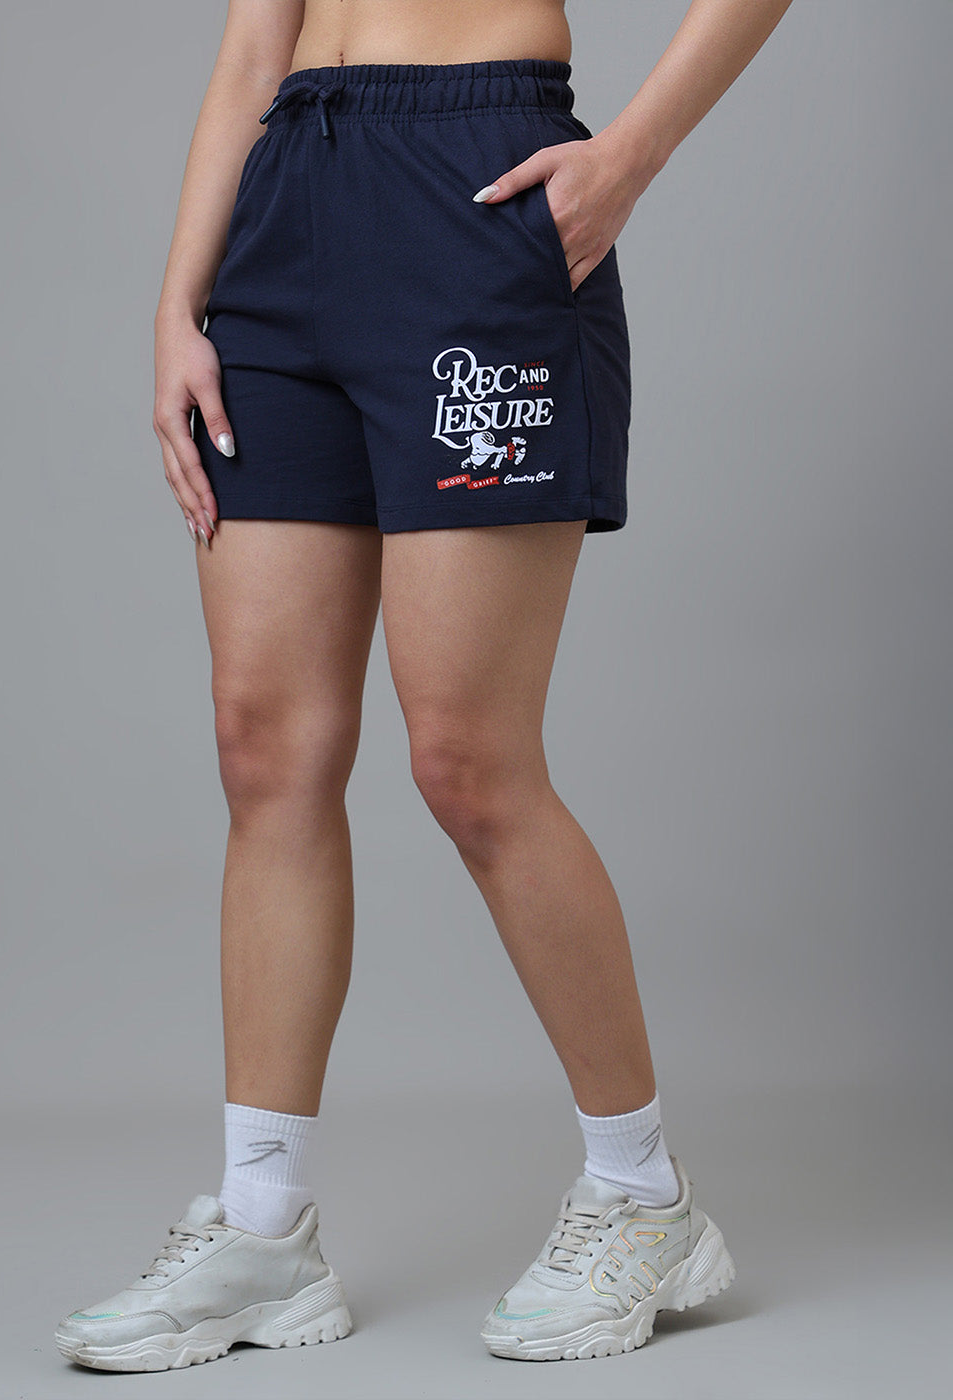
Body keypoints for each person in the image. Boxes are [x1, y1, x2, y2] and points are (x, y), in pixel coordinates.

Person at [56, 0, 792, 1372]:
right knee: (264, 749)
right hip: (284, 212)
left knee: (467, 760)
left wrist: (630, 155)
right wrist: (175, 305)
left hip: (475, 192)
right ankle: (264, 1230)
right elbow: (254, 44)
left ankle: (643, 1196)